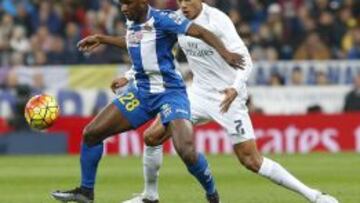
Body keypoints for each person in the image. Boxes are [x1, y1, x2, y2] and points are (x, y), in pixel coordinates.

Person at [120, 1, 339, 203]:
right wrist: (130, 75)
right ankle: (149, 197)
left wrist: (236, 88)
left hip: (227, 95)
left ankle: (315, 196)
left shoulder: (218, 20)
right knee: (152, 136)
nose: (183, 5)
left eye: (188, 0)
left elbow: (245, 59)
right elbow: (155, 51)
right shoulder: (176, 20)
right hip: (196, 94)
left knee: (251, 160)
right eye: (179, 0)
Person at [51, 0, 244, 203]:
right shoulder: (132, 20)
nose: (124, 8)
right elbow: (135, 41)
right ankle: (86, 191)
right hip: (141, 93)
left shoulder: (165, 19)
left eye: (128, 3)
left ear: (142, 2)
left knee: (186, 150)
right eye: (121, 4)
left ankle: (212, 194)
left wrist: (226, 54)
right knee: (91, 134)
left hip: (170, 93)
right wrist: (102, 39)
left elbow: (202, 32)